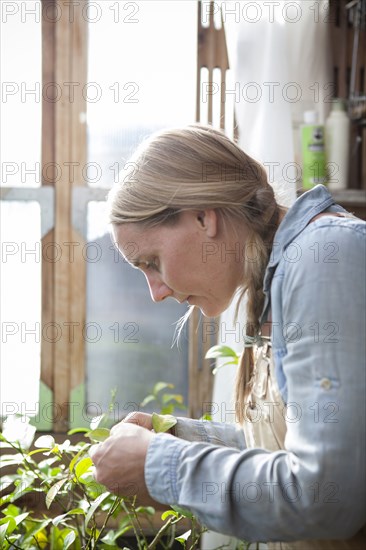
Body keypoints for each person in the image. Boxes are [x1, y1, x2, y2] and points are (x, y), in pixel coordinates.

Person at [90, 124, 366, 549]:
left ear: (203, 216)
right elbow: (291, 452)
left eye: (152, 262)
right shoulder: (280, 274)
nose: (156, 292)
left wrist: (159, 466)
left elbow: (326, 497)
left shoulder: (323, 260)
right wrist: (177, 437)